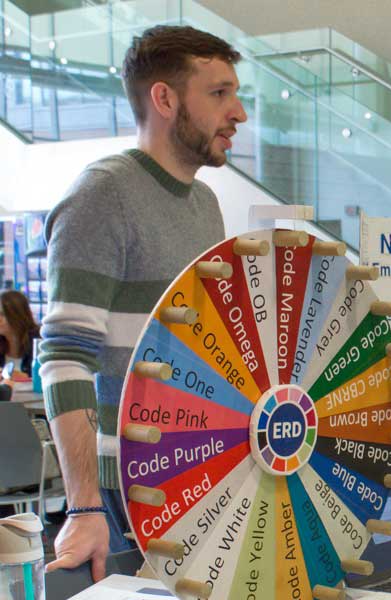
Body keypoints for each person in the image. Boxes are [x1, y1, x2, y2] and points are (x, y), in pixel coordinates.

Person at [39, 25, 247, 582]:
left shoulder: (204, 204)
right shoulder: (101, 195)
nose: (240, 113)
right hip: (124, 486)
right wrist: (83, 508)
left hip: (195, 471)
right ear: (164, 98)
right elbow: (63, 358)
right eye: (220, 93)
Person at [0, 290, 40, 380]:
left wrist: (28, 379)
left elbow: (50, 379)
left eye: (2, 314)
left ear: (17, 315)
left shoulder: (39, 344)